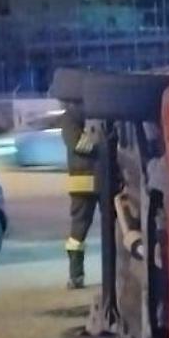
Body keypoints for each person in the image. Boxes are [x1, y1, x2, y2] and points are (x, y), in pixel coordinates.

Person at [61, 105, 101, 289]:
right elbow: (78, 144)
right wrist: (103, 144)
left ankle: (76, 276)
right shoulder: (72, 117)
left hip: (91, 179)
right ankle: (76, 275)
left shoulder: (73, 116)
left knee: (79, 231)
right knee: (78, 231)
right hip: (87, 179)